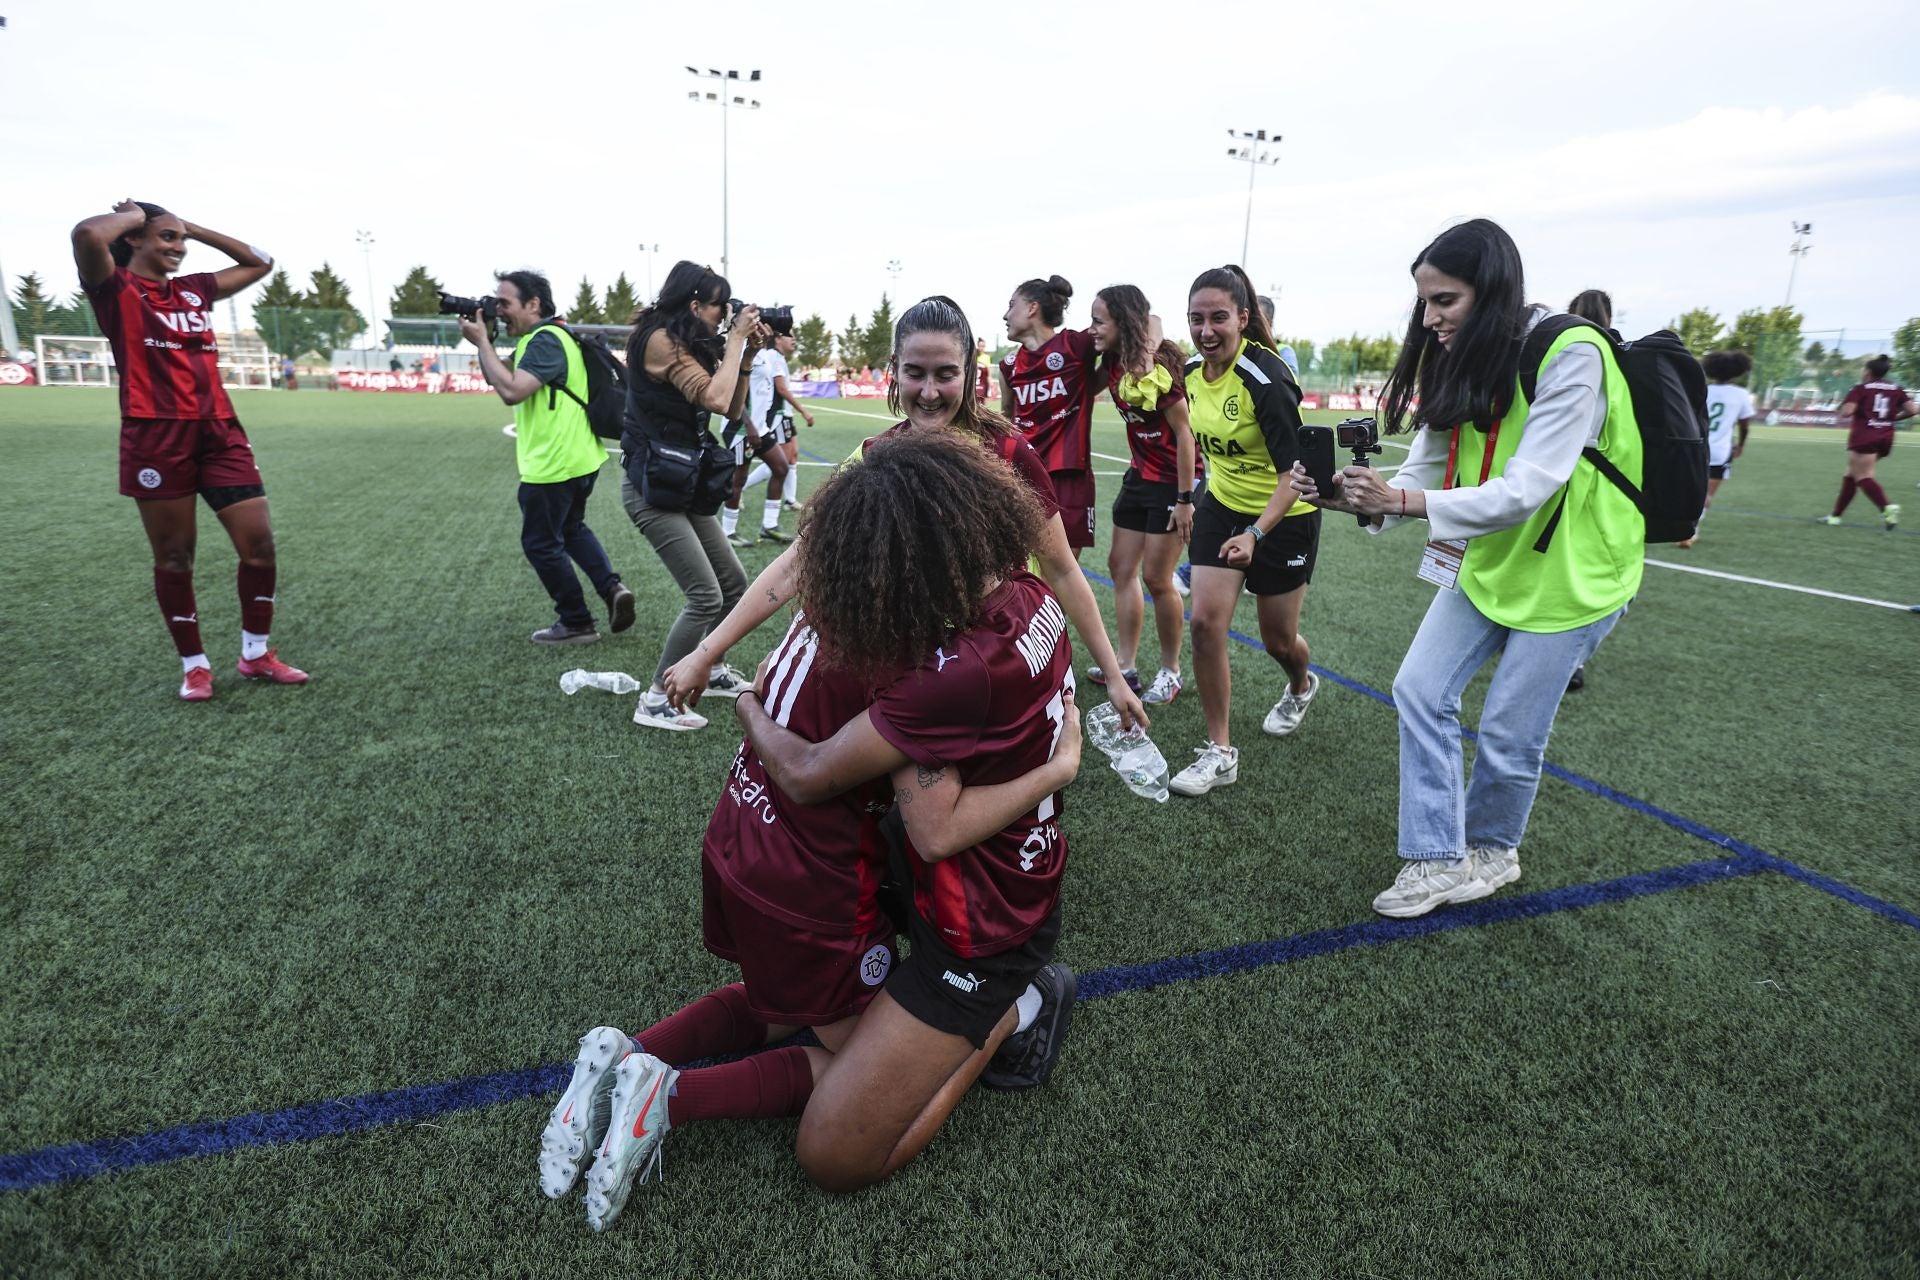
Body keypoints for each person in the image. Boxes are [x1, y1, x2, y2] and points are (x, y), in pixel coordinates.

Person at [551, 432, 1082, 1227]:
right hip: (928, 883)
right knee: (801, 1006)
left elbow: (899, 814)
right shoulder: (1021, 596)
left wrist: (745, 702)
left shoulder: (944, 665)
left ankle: (1015, 1011)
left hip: (978, 920)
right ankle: (638, 1067)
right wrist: (1062, 758)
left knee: (832, 1151)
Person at [1296, 218, 1643, 919]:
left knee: (1511, 735)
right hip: (1492, 562)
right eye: (1424, 303)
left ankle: (1492, 849)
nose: (1429, 320)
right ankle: (1435, 855)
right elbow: (1421, 477)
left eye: (1445, 302)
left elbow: (1526, 488)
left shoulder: (1570, 351)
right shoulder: (1459, 356)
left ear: (1492, 290)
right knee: (1419, 688)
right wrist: (1349, 499)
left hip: (1577, 575)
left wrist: (1402, 498)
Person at [658, 295, 1149, 734]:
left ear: (968, 373)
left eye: (945, 374)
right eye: (916, 373)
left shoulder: (1007, 452)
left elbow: (1062, 568)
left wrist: (1113, 676)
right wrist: (705, 653)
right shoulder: (874, 457)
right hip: (918, 669)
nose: (930, 392)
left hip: (1000, 664)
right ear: (895, 368)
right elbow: (800, 560)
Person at [71, 198, 307, 701]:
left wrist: (191, 226)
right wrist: (138, 215)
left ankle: (255, 654)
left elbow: (260, 261)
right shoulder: (115, 289)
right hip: (155, 435)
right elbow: (88, 234)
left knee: (260, 547)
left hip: (220, 432)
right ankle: (195, 665)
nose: (179, 248)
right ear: (135, 238)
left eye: (181, 239)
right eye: (167, 238)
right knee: (176, 557)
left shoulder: (195, 290)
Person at [1167, 265, 1320, 798]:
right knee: (1206, 624)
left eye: (1218, 318)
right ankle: (1219, 751)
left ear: (1243, 319)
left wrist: (1256, 533)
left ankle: (1301, 684)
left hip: (1284, 518)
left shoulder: (1267, 380)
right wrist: (1190, 500)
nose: (1206, 330)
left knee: (1278, 639)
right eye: (1196, 319)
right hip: (1223, 507)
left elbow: (1295, 478)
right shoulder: (1189, 373)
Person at [621, 261, 763, 730]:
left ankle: (713, 667)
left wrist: (742, 359)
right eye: (721, 306)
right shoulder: (659, 339)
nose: (726, 316)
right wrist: (737, 341)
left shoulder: (689, 341)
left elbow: (733, 408)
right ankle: (657, 698)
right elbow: (717, 400)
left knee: (733, 584)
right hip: (651, 490)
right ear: (695, 303)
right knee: (704, 595)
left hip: (681, 483)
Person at [461, 269, 633, 645]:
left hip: (552, 464)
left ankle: (576, 621)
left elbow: (511, 390)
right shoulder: (553, 337)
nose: (499, 310)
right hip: (579, 457)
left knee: (541, 543)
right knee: (571, 529)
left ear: (533, 304)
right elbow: (504, 374)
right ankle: (612, 589)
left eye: (504, 303)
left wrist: (481, 342)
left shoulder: (544, 340)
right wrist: (484, 342)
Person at [1091, 284, 1195, 705]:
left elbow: (1186, 435)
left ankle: (1171, 670)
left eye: (1100, 320)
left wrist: (1187, 499)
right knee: (1120, 568)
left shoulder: (1161, 366)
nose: (1093, 328)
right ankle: (1126, 665)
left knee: (1157, 577)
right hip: (1139, 476)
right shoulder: (1113, 361)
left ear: (1122, 322)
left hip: (1175, 482)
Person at [1000, 276, 1100, 558]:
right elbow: (1007, 418)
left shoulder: (1075, 346)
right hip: (1023, 475)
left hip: (1070, 476)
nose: (1005, 315)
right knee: (1019, 565)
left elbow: (1125, 328)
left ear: (1032, 308)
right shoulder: (1009, 366)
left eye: (1011, 306)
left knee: (1065, 570)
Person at [721, 329, 813, 546]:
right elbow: (734, 391)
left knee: (781, 467)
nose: (765, 329)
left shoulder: (762, 352)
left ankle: (769, 526)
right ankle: (727, 532)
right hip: (741, 427)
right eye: (760, 324)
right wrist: (748, 424)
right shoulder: (740, 351)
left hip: (760, 427)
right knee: (739, 478)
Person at [1821, 355, 1911, 529]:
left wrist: (1844, 405)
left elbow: (1847, 412)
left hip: (1865, 437)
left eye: (1863, 369)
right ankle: (1835, 517)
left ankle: (1887, 508)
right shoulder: (1896, 388)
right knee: (1850, 475)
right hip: (1885, 437)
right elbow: (1913, 409)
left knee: (1863, 476)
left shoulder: (1860, 389)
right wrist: (1893, 418)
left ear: (1868, 371)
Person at [1681, 350, 1757, 548]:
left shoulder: (1702, 389)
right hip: (1720, 451)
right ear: (1738, 371)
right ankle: (1691, 531)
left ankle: (1679, 526)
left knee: (1689, 490)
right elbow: (1744, 425)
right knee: (1707, 495)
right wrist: (1741, 445)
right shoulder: (1741, 395)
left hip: (1695, 447)